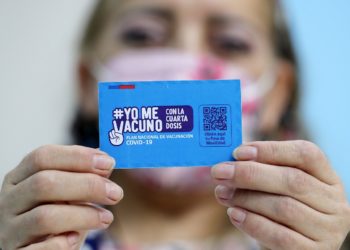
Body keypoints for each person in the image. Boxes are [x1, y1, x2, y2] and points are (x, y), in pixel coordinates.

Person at [0, 0, 349, 249]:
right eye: (141, 35)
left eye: (231, 42)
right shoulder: (31, 236)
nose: (186, 62)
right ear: (86, 81)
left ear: (276, 95)